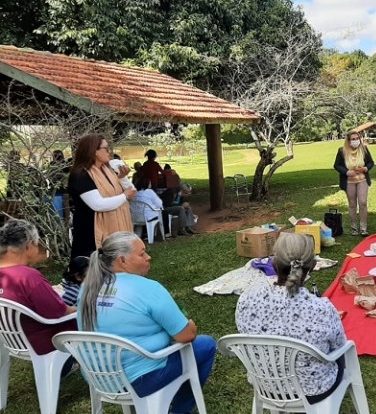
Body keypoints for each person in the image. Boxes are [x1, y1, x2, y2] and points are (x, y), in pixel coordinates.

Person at [77, 232, 215, 414]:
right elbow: (186, 335)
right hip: (139, 379)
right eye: (142, 254)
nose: (148, 257)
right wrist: (188, 325)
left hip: (99, 377)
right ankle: (180, 410)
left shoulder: (87, 288)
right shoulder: (147, 288)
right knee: (205, 344)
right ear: (122, 261)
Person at [235, 233, 347, 404]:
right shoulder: (322, 309)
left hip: (267, 387)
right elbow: (339, 346)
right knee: (341, 356)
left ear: (273, 263)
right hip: (314, 389)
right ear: (313, 266)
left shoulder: (246, 300)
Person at [0, 220, 77, 375]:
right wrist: (82, 308)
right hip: (45, 342)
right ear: (29, 245)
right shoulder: (28, 277)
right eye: (37, 243)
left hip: (12, 340)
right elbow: (59, 312)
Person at [68, 134, 136, 259]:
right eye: (106, 148)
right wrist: (124, 196)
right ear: (94, 151)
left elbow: (132, 191)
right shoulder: (81, 175)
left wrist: (122, 178)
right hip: (91, 231)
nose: (109, 151)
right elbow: (98, 204)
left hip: (115, 226)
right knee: (94, 268)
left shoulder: (108, 170)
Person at [333, 131, 375, 236]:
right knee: (352, 204)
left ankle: (364, 228)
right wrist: (347, 172)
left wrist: (365, 168)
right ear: (348, 141)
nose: (356, 141)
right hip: (349, 181)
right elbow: (337, 165)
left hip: (362, 180)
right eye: (353, 139)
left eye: (357, 138)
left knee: (363, 202)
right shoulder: (342, 151)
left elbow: (371, 163)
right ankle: (354, 228)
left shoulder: (364, 149)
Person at [132, 172, 195, 237]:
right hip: (165, 208)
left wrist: (183, 205)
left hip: (137, 216)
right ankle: (181, 229)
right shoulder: (171, 192)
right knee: (181, 208)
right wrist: (181, 205)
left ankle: (188, 227)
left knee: (188, 208)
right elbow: (163, 204)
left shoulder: (135, 193)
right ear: (183, 190)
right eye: (186, 193)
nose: (187, 195)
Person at [47, 149, 70, 218]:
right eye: (55, 156)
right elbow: (50, 176)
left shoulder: (65, 165)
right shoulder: (52, 164)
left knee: (65, 205)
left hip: (63, 188)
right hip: (55, 188)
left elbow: (66, 176)